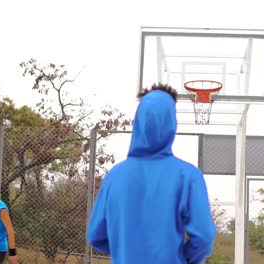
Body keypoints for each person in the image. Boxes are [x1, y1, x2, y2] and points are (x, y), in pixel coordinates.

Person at [87, 84, 216, 264]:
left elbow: (96, 235)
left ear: (138, 121)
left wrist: (127, 250)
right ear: (172, 123)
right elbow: (204, 236)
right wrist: (182, 257)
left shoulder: (114, 177)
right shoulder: (188, 176)